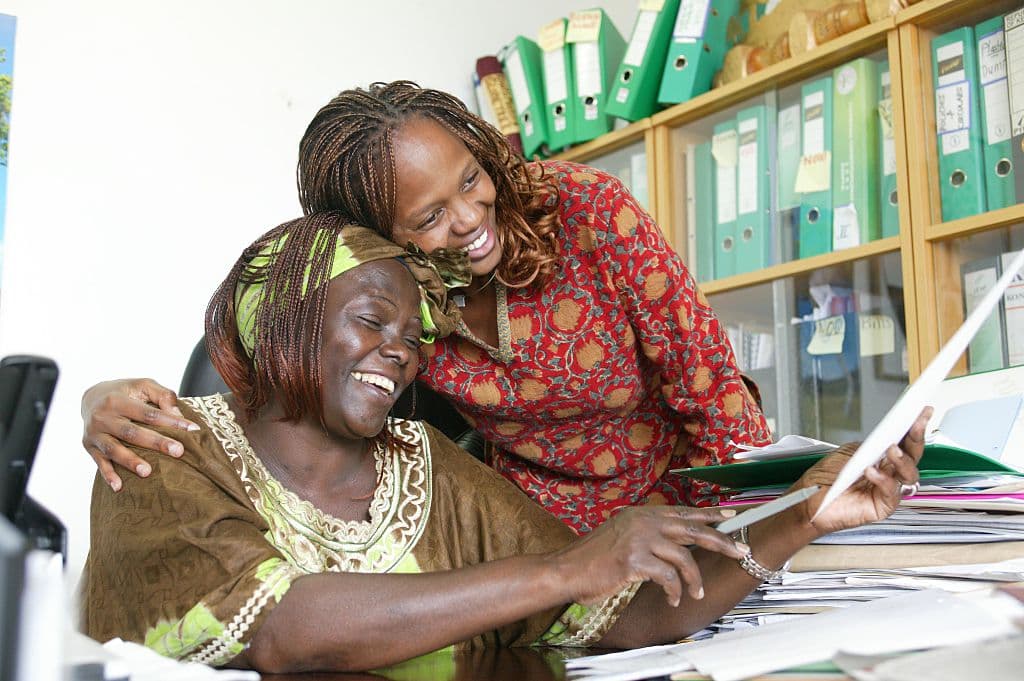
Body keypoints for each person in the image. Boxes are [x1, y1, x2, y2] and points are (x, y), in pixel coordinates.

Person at [80, 212, 929, 673]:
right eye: (371, 321)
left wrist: (803, 518)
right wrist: (568, 565)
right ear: (287, 322)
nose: (400, 352)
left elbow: (624, 616)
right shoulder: (159, 446)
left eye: (412, 335)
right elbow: (283, 632)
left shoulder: (428, 466)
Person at [87, 82, 793, 531]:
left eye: (471, 178)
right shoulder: (385, 298)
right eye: (428, 216)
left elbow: (709, 388)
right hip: (532, 544)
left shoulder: (587, 212)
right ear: (375, 232)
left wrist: (754, 526)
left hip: (683, 506)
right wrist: (104, 397)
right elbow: (258, 377)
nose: (469, 217)